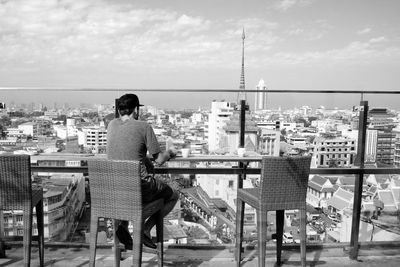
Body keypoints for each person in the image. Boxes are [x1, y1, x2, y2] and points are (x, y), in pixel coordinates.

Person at [106, 93, 179, 249]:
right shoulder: (144, 127)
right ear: (136, 110)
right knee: (174, 194)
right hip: (139, 188)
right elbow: (159, 159)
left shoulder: (111, 125)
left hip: (116, 190)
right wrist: (171, 153)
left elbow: (127, 150)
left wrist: (143, 159)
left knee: (130, 187)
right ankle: (145, 228)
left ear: (119, 110)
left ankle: (123, 226)